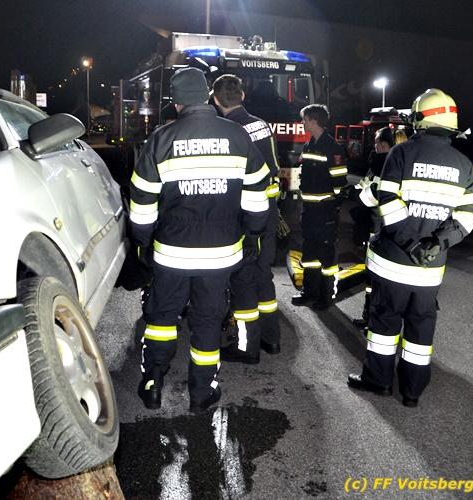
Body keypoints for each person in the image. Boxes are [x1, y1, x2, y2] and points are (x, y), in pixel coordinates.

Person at [128, 67, 270, 412]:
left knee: (162, 318)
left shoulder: (161, 139)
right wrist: (253, 234)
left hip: (171, 253)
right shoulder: (237, 136)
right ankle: (202, 393)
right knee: (207, 321)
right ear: (207, 95)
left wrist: (142, 243)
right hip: (220, 255)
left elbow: (142, 202)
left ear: (176, 102)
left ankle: (153, 384)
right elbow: (257, 194)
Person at [347, 88, 473, 407]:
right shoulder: (463, 165)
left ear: (420, 119)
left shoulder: (402, 153)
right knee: (420, 331)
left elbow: (387, 200)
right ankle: (412, 392)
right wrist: (436, 243)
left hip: (393, 262)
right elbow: (469, 215)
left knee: (384, 325)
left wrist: (410, 242)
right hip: (429, 270)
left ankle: (378, 381)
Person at [211, 74, 282, 364]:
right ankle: (271, 338)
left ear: (215, 99)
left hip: (243, 216)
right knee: (264, 275)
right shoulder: (261, 125)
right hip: (269, 211)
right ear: (242, 95)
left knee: (242, 281)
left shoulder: (226, 131)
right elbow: (273, 168)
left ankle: (246, 347)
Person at [291, 104, 348, 310]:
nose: (302, 123)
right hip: (309, 211)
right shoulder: (309, 145)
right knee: (309, 255)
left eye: (304, 119)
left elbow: (340, 183)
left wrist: (333, 208)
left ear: (314, 121)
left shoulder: (332, 148)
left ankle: (326, 296)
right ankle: (310, 292)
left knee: (326, 257)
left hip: (325, 212)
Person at [348, 127, 394, 329]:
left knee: (377, 278)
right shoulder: (378, 163)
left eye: (377, 143)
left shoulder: (387, 166)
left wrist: (353, 195)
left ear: (384, 144)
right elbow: (365, 185)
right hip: (373, 228)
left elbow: (372, 196)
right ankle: (369, 316)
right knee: (371, 277)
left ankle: (374, 320)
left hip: (380, 228)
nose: (374, 147)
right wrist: (352, 191)